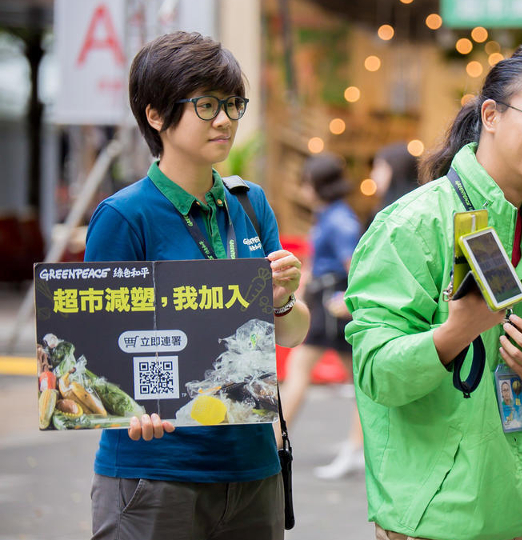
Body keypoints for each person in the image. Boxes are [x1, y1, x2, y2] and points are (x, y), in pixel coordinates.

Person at [344, 46, 522, 540]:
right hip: (443, 518)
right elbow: (375, 372)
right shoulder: (412, 226)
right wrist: (454, 333)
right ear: (491, 116)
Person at [84, 32, 308, 540]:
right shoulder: (125, 216)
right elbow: (99, 348)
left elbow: (293, 334)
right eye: (206, 104)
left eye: (232, 104)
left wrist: (282, 300)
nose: (225, 119)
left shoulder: (251, 205)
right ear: (156, 116)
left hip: (253, 467)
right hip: (156, 472)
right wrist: (128, 410)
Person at [277, 153, 364, 478]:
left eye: (307, 182)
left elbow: (353, 265)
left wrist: (349, 299)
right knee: (356, 382)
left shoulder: (339, 219)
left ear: (318, 186)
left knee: (356, 382)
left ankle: (353, 449)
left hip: (334, 306)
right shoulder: (331, 215)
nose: (302, 189)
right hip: (326, 303)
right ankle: (354, 448)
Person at [370, 141, 421, 213]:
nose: (373, 174)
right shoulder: (418, 203)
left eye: (379, 167)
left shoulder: (400, 212)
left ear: (396, 169)